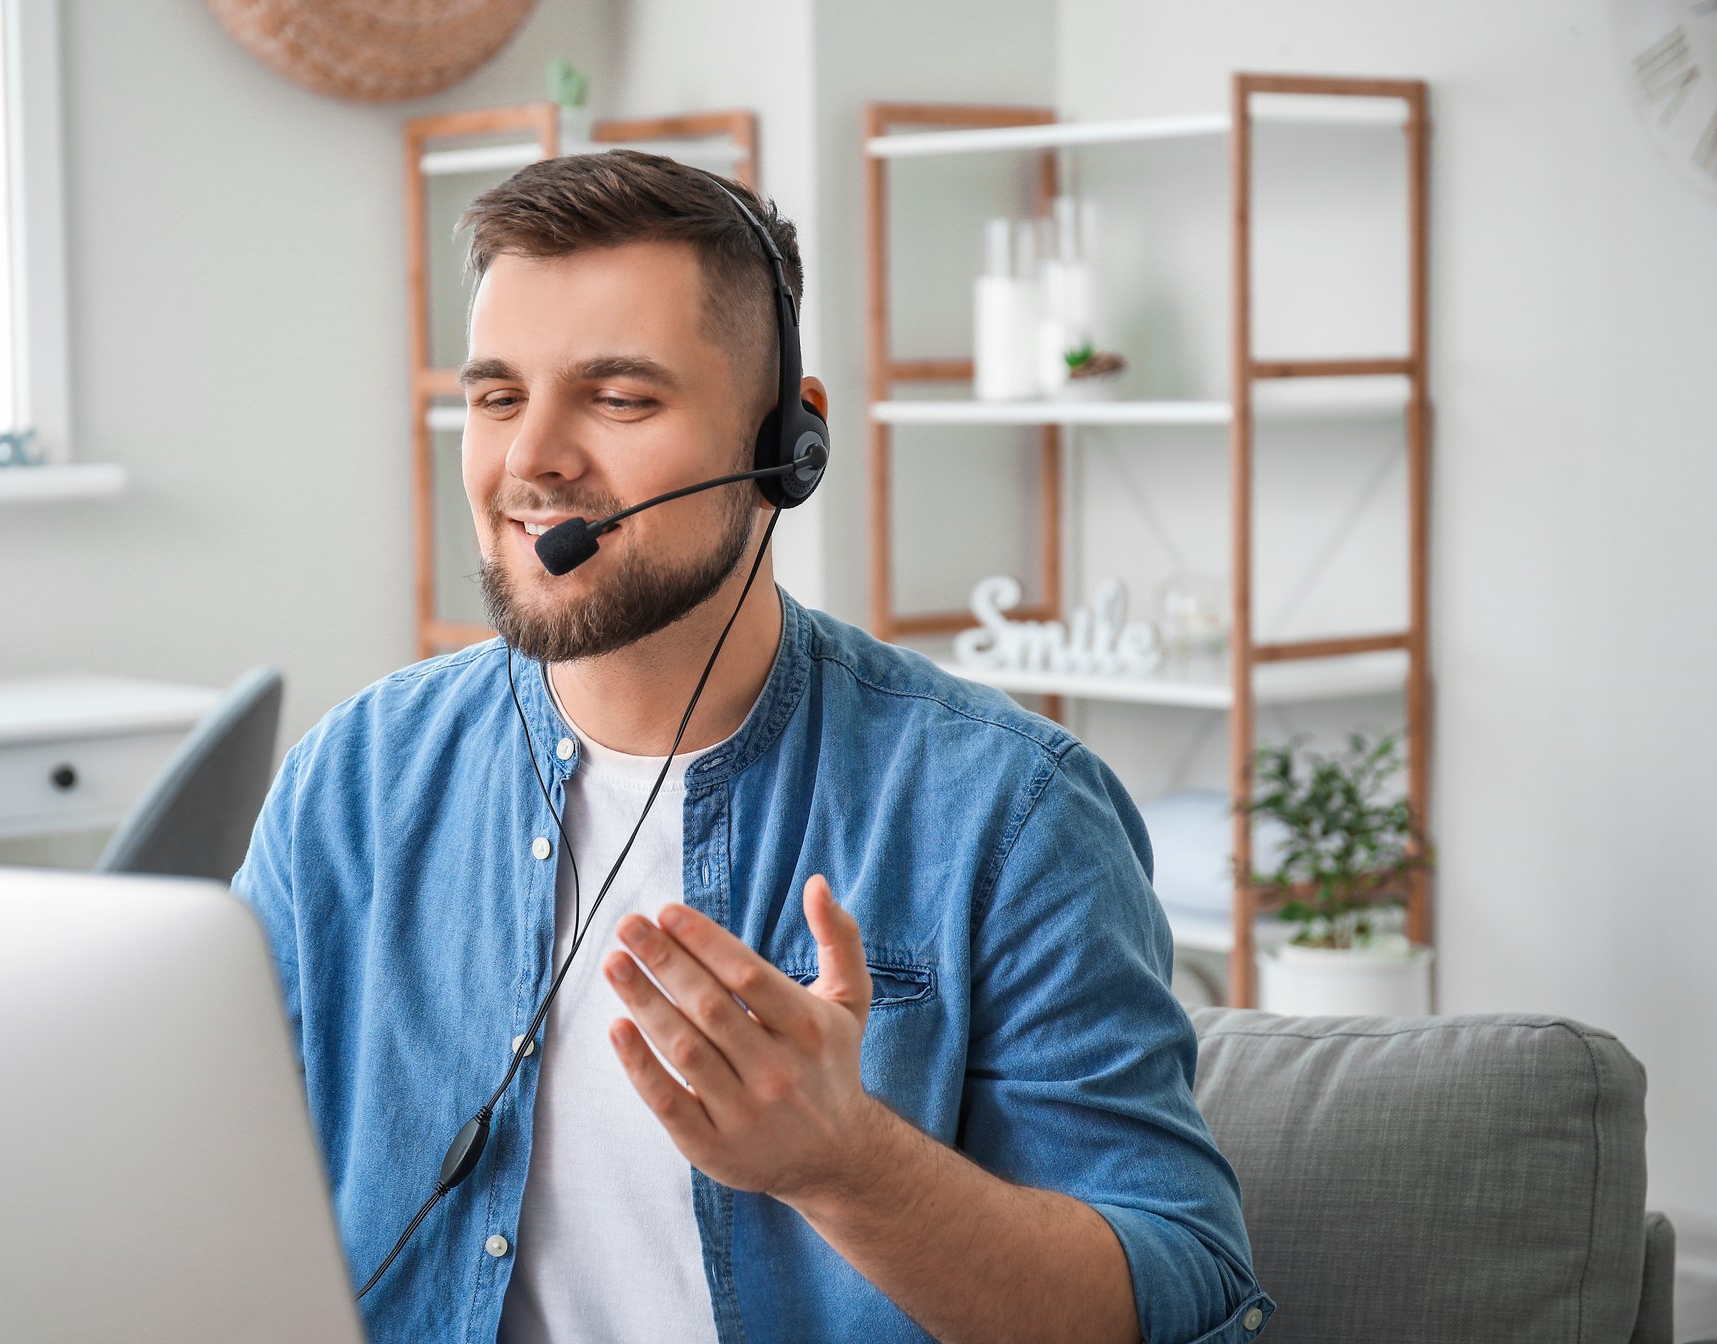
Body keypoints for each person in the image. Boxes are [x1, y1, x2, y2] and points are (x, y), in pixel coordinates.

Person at [232, 148, 1275, 1344]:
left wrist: (848, 1166)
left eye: (619, 399)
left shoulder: (1008, 813)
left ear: (790, 445)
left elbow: (1187, 1293)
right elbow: (206, 1188)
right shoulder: (352, 785)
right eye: (498, 396)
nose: (530, 462)